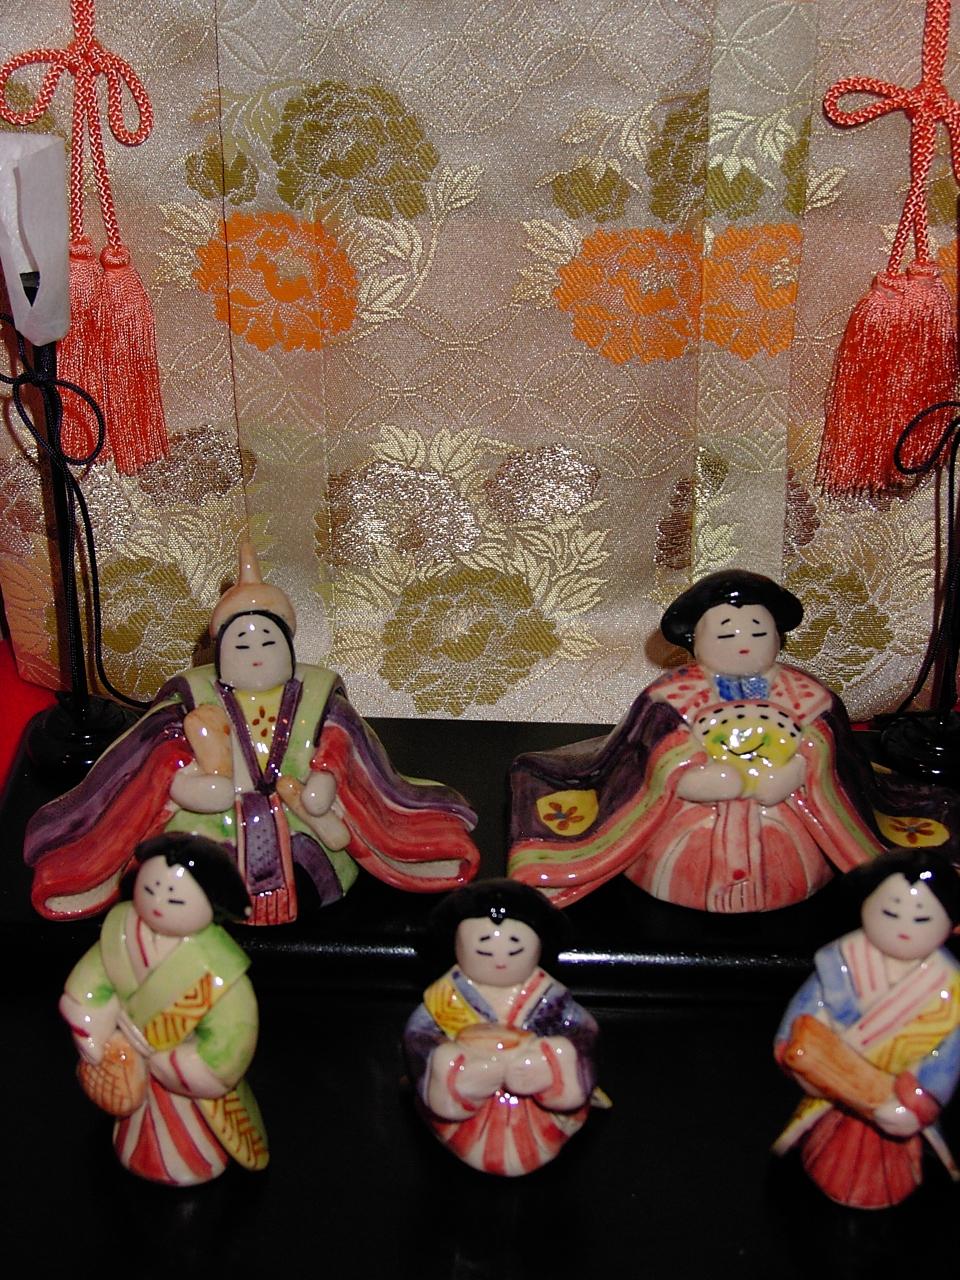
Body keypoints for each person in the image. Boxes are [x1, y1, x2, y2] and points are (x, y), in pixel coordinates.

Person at [26, 542, 480, 925]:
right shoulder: (193, 699)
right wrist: (201, 784)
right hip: (214, 828)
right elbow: (163, 764)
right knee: (196, 870)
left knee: (315, 865)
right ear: (221, 650)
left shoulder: (319, 696)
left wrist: (322, 783)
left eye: (268, 641)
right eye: (242, 644)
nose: (256, 653)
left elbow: (340, 749)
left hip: (301, 824)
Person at [509, 569, 957, 912]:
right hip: (687, 818)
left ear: (778, 638)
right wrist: (690, 776)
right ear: (695, 640)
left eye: (758, 632)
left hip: (788, 817)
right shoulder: (670, 697)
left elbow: (826, 745)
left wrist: (799, 769)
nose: (744, 643)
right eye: (726, 633)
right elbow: (652, 752)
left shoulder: (807, 695)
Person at [60, 833, 269, 1186]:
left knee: (187, 1129)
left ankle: (192, 1158)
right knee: (136, 1118)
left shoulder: (220, 970)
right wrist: (96, 1030)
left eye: (174, 898)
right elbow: (91, 981)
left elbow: (232, 1035)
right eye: (151, 889)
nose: (157, 903)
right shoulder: (120, 931)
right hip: (129, 1058)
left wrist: (177, 1062)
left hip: (179, 1072)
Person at [772, 848, 960, 1208]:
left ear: (950, 925)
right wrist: (803, 1059)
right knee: (827, 1151)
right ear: (866, 906)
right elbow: (802, 1016)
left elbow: (947, 1056)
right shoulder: (837, 964)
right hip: (836, 1093)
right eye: (891, 912)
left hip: (893, 1098)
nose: (904, 927)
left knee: (890, 1162)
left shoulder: (950, 991)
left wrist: (918, 1103)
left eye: (921, 919)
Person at [404, 879, 600, 1176]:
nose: (499, 959)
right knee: (443, 1062)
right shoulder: (445, 998)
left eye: (514, 949)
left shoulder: (549, 998)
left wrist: (552, 1062)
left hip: (538, 1112)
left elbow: (583, 1033)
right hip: (466, 1117)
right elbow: (419, 1038)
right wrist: (453, 1070)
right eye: (484, 950)